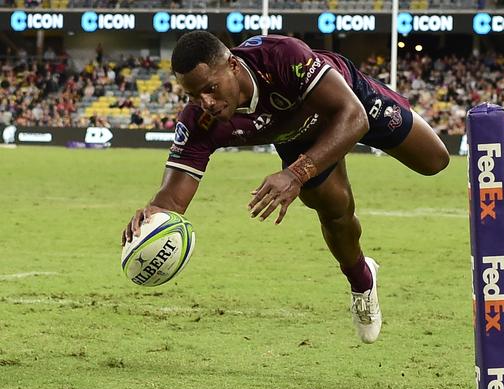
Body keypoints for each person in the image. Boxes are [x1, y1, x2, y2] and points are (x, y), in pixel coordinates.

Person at [122, 31, 449, 344]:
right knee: (333, 209)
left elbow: (354, 117)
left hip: (348, 103)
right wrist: (154, 215)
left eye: (210, 88)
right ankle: (363, 282)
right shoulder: (199, 122)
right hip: (299, 138)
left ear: (233, 66)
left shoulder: (280, 57)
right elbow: (174, 198)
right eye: (193, 95)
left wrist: (295, 174)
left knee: (434, 161)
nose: (204, 101)